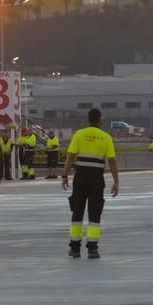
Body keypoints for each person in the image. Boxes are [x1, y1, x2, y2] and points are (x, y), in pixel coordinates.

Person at [62, 108, 119, 259]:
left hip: (80, 177)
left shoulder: (79, 135)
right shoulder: (106, 137)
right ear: (99, 119)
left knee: (77, 212)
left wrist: (64, 175)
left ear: (88, 119)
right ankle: (92, 249)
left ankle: (74, 248)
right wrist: (116, 182)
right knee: (95, 212)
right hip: (96, 178)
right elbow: (112, 161)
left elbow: (70, 156)